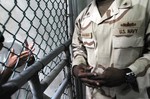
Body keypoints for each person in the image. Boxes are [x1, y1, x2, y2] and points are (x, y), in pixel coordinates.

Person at [72, 0, 150, 99]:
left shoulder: (144, 7)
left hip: (132, 95)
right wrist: (76, 67)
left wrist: (127, 74)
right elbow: (78, 49)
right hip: (94, 95)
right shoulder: (83, 17)